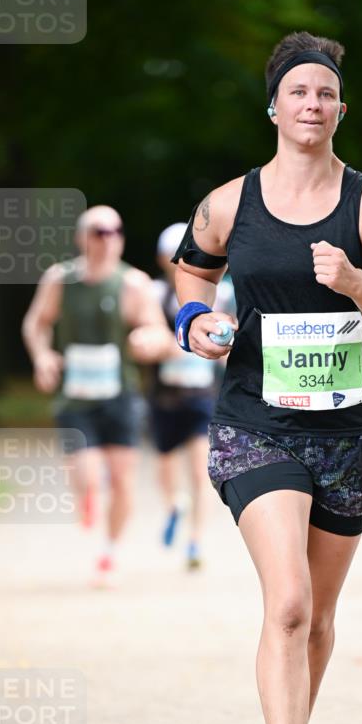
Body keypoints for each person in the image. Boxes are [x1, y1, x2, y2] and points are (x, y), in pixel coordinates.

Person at [173, 31, 362, 724]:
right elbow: (189, 271)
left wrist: (354, 282)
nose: (311, 104)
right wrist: (193, 321)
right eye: (298, 92)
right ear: (273, 106)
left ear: (339, 109)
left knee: (316, 618)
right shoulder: (228, 202)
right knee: (286, 604)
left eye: (324, 93)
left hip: (350, 433)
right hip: (256, 423)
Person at [22, 205, 171, 587]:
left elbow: (158, 333)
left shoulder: (133, 284)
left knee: (122, 480)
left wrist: (146, 340)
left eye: (115, 231)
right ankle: (88, 496)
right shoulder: (60, 279)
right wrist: (42, 357)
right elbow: (36, 323)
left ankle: (109, 551)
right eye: (99, 232)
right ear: (81, 237)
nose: (108, 239)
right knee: (88, 476)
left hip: (119, 394)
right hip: (75, 396)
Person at [151, 223, 233, 570]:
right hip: (165, 395)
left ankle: (195, 542)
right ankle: (174, 505)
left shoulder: (223, 294)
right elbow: (147, 338)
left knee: (202, 471)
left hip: (203, 394)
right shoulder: (156, 295)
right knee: (166, 468)